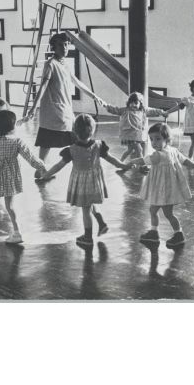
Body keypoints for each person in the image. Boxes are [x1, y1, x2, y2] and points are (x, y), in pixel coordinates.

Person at [39, 114, 129, 247]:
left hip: (81, 183)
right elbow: (112, 159)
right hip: (95, 181)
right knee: (90, 203)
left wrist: (46, 174)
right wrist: (123, 165)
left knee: (86, 211)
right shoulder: (99, 145)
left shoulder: (71, 150)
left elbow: (58, 166)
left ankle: (87, 237)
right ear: (92, 131)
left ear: (75, 131)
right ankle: (101, 223)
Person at [27, 32, 105, 174]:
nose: (64, 48)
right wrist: (33, 108)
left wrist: (94, 96)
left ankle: (74, 167)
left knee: (72, 138)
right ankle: (41, 169)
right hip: (52, 109)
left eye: (66, 45)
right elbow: (43, 86)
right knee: (48, 141)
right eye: (61, 45)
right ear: (54, 47)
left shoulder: (65, 65)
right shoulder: (50, 64)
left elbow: (77, 82)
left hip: (65, 108)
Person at [0, 110, 47, 244]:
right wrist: (41, 166)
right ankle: (17, 232)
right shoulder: (17, 142)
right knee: (10, 206)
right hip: (10, 177)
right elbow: (30, 157)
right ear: (11, 127)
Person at [127, 123, 194, 248]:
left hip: (162, 190)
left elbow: (143, 160)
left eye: (158, 139)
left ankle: (177, 234)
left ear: (167, 139)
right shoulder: (173, 151)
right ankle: (155, 232)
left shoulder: (158, 155)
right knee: (156, 211)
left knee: (166, 213)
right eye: (151, 139)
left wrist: (132, 161)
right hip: (167, 189)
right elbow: (185, 160)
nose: (154, 143)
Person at [104, 91, 167, 161]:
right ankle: (143, 165)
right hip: (129, 135)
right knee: (139, 150)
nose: (133, 105)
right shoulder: (125, 110)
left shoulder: (143, 111)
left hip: (135, 135)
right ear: (128, 103)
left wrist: (162, 112)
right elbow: (115, 109)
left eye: (136, 103)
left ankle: (120, 162)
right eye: (131, 103)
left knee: (129, 151)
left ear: (140, 104)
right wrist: (105, 105)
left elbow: (152, 111)